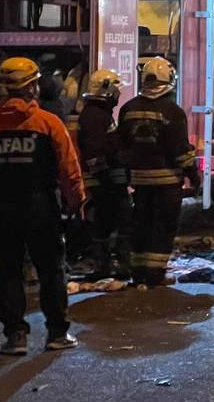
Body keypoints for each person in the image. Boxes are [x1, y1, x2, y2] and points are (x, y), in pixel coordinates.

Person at [0, 57, 84, 354]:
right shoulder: (48, 123)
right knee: (51, 270)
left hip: (0, 209)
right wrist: (77, 201)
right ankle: (57, 333)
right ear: (32, 86)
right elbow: (68, 169)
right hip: (40, 206)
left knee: (9, 271)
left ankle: (15, 337)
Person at [118, 57, 200, 287]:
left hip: (140, 181)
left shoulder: (129, 108)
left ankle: (138, 271)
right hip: (167, 181)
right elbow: (181, 151)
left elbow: (121, 145)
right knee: (162, 226)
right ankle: (155, 274)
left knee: (141, 224)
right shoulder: (172, 111)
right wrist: (194, 175)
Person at [76, 68, 132, 280]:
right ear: (107, 91)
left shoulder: (97, 113)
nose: (118, 95)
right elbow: (95, 152)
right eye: (117, 90)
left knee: (106, 223)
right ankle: (113, 265)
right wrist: (106, 179)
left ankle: (108, 265)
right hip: (106, 183)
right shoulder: (96, 116)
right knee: (116, 221)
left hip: (107, 181)